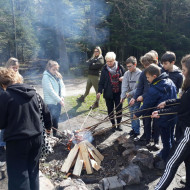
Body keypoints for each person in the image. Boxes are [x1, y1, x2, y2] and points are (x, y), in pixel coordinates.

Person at [0, 67, 52, 190]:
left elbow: (1, 124)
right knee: (33, 171)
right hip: (36, 139)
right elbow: (46, 112)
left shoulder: (5, 96)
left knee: (19, 175)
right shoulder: (33, 92)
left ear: (3, 84)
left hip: (17, 141)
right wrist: (48, 129)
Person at [153, 54, 190, 190]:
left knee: (171, 163)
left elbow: (181, 108)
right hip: (184, 127)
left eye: (184, 69)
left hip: (188, 131)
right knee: (188, 160)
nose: (182, 72)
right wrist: (167, 103)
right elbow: (183, 102)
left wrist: (160, 113)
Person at [134, 64, 177, 163]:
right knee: (170, 136)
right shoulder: (169, 81)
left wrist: (137, 113)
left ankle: (165, 159)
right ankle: (169, 152)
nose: (147, 80)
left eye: (148, 77)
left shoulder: (155, 88)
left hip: (163, 117)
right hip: (173, 115)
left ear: (154, 76)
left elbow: (147, 104)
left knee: (165, 140)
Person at [129, 54, 157, 145]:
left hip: (157, 101)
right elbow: (140, 87)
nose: (146, 68)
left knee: (156, 120)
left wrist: (143, 96)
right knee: (146, 119)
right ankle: (146, 136)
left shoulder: (158, 72)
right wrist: (134, 98)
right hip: (146, 101)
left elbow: (155, 90)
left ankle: (155, 139)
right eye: (144, 66)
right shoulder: (143, 73)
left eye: (147, 66)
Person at [97, 52, 125, 131]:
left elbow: (126, 77)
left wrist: (123, 78)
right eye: (107, 61)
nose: (109, 63)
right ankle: (113, 124)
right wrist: (99, 91)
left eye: (111, 61)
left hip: (118, 92)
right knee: (110, 109)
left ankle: (119, 124)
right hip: (108, 93)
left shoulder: (120, 67)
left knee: (119, 109)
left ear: (114, 60)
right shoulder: (104, 69)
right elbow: (101, 82)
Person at [42, 60, 65, 137]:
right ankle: (47, 137)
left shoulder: (58, 75)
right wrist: (59, 100)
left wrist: (62, 97)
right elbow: (50, 90)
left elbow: (62, 86)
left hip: (58, 101)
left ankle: (55, 134)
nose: (55, 71)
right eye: (53, 69)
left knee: (56, 119)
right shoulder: (45, 77)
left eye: (56, 69)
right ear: (49, 68)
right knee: (49, 121)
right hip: (50, 102)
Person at [120, 56, 142, 137]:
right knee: (131, 113)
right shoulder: (126, 73)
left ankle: (137, 131)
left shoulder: (140, 74)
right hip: (129, 96)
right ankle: (133, 129)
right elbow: (124, 86)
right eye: (127, 66)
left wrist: (131, 93)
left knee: (135, 113)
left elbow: (139, 88)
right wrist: (122, 96)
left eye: (130, 66)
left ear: (135, 64)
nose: (128, 68)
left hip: (136, 97)